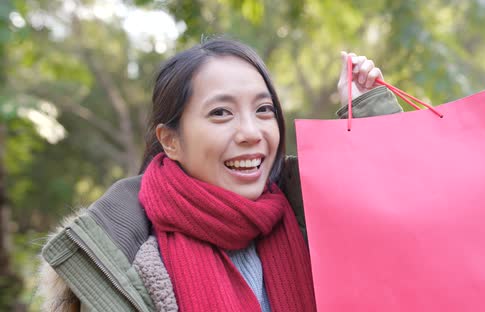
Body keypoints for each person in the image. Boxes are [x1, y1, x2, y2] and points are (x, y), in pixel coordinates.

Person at [38, 38, 403, 312]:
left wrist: (367, 114)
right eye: (221, 114)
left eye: (263, 109)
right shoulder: (131, 266)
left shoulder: (311, 224)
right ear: (171, 141)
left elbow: (401, 240)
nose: (250, 132)